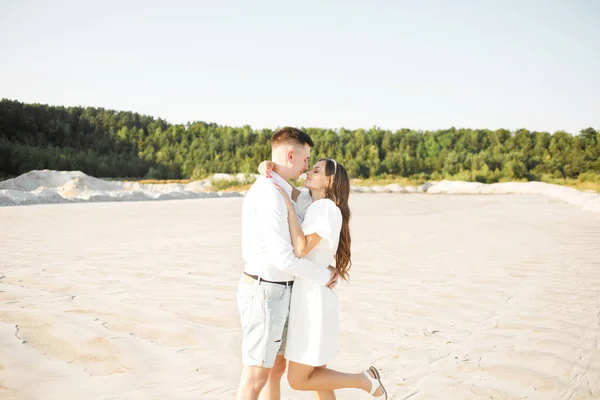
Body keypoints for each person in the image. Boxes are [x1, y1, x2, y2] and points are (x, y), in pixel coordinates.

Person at [259, 157, 388, 399]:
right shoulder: (317, 204)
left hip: (312, 298)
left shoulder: (324, 208)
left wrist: (287, 206)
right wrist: (269, 169)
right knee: (319, 375)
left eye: (316, 171)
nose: (309, 171)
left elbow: (301, 248)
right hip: (313, 293)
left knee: (298, 379)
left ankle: (363, 380)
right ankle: (363, 380)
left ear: (329, 181)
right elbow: (293, 192)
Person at [236, 127, 339, 400]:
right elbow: (284, 257)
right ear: (291, 155)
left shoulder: (285, 190)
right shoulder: (270, 193)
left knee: (275, 369)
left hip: (281, 291)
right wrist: (323, 275)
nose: (307, 166)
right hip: (265, 291)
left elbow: (300, 201)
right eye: (306, 160)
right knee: (255, 377)